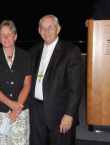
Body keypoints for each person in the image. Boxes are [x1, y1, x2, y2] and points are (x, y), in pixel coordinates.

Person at [29, 15, 84, 145]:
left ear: (58, 29)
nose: (46, 31)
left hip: (60, 113)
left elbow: (76, 89)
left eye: (50, 27)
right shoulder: (33, 50)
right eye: (43, 28)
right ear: (39, 31)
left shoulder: (71, 51)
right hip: (36, 111)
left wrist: (69, 114)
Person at [0, 20, 32, 145]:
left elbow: (27, 85)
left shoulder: (26, 56)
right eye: (2, 34)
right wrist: (11, 105)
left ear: (15, 36)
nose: (6, 37)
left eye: (9, 34)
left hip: (20, 110)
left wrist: (16, 110)